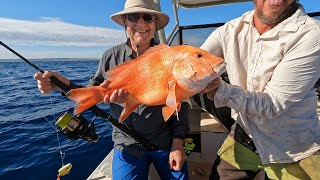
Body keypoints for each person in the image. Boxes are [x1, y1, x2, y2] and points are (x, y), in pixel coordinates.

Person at [34, 0, 189, 179]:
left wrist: (178, 144)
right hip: (127, 145)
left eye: (147, 17)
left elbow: (180, 102)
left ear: (155, 24)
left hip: (165, 142)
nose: (141, 23)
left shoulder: (169, 57)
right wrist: (62, 84)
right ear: (125, 22)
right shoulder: (110, 57)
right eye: (133, 17)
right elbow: (93, 92)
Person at [200, 0, 320, 179]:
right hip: (245, 131)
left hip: (295, 143)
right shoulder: (229, 29)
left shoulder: (311, 34)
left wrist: (219, 89)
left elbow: (272, 104)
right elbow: (193, 59)